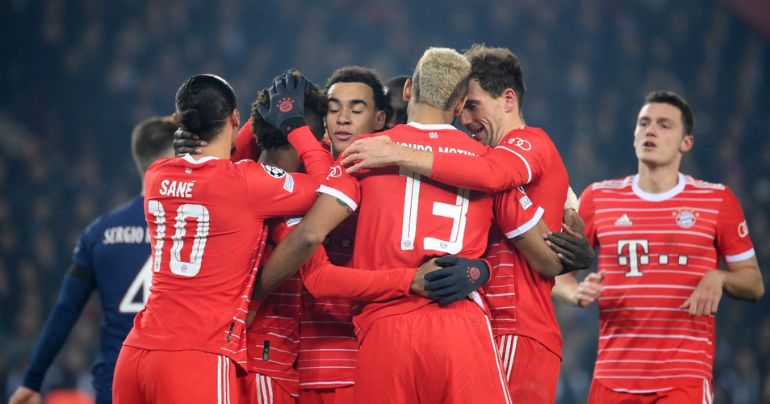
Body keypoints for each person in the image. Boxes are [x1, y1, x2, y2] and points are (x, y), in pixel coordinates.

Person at [258, 47, 517, 404]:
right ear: (459, 105)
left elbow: (313, 237)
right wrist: (483, 268)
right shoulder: (489, 162)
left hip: (386, 330)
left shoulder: (368, 151)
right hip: (461, 326)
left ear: (408, 90)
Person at [340, 43, 590, 402]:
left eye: (474, 106)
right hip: (484, 326)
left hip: (516, 329)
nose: (466, 120)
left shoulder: (526, 144)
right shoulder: (482, 161)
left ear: (508, 99)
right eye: (463, 107)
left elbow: (492, 174)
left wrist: (397, 150)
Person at [112, 73, 322, 404]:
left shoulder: (157, 174)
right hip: (196, 357)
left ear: (178, 122)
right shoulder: (247, 183)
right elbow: (329, 188)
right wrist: (293, 124)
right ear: (235, 117)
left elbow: (212, 173)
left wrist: (253, 121)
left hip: (135, 354)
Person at [576, 91, 763, 403]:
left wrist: (720, 277)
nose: (650, 130)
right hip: (612, 380)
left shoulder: (717, 201)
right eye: (644, 123)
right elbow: (554, 272)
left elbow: (754, 284)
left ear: (685, 142)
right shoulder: (598, 198)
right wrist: (573, 292)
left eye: (664, 125)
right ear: (634, 134)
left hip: (683, 381)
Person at [8, 117, 177, 404]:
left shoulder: (99, 233)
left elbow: (65, 309)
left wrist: (33, 380)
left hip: (115, 383)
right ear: (174, 158)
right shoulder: (195, 228)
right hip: (175, 381)